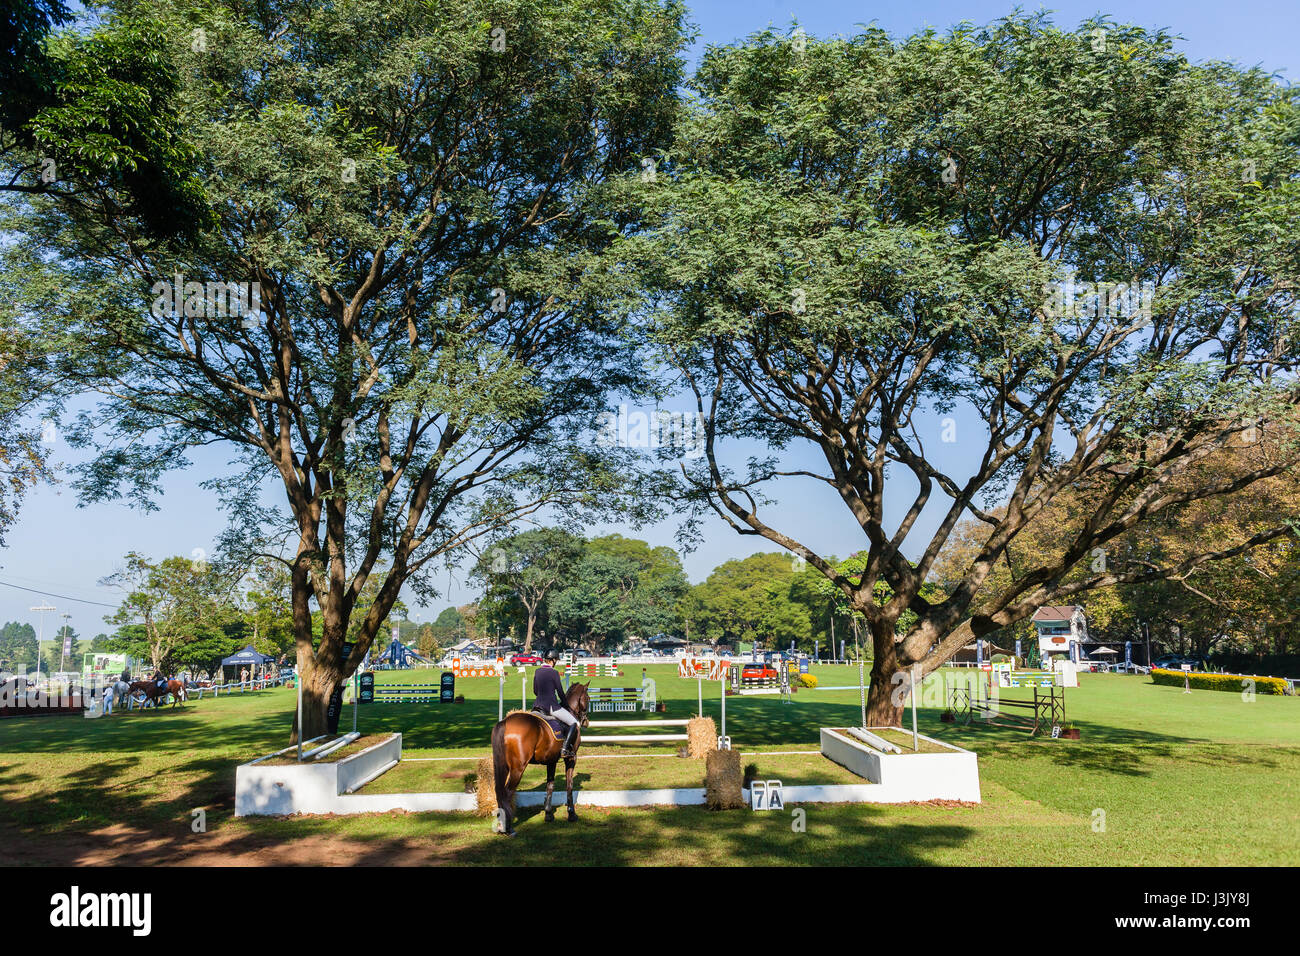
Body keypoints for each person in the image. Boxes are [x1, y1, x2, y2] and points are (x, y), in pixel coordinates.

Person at [531, 650, 579, 757]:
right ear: (552, 660)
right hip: (551, 706)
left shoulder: (537, 671)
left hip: (536, 706)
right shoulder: (554, 673)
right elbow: (560, 692)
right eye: (556, 660)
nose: (556, 662)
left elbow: (535, 691)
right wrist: (565, 704)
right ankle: (565, 749)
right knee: (574, 723)